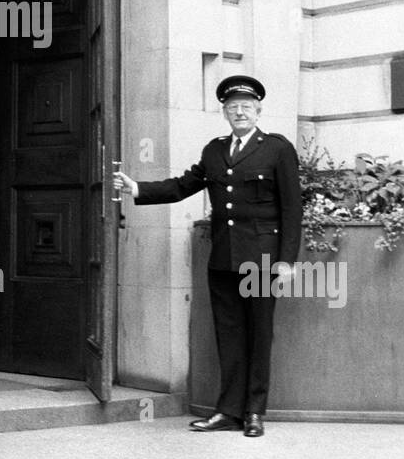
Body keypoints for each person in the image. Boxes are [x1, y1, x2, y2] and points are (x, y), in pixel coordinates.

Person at [114, 76, 302, 437]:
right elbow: (185, 185)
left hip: (261, 259)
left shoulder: (277, 149)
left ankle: (254, 413)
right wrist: (138, 188)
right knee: (228, 335)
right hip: (223, 258)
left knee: (259, 334)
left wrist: (287, 261)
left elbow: (292, 209)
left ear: (258, 110)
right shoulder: (214, 151)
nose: (240, 112)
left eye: (246, 107)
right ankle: (228, 412)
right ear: (225, 113)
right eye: (233, 108)